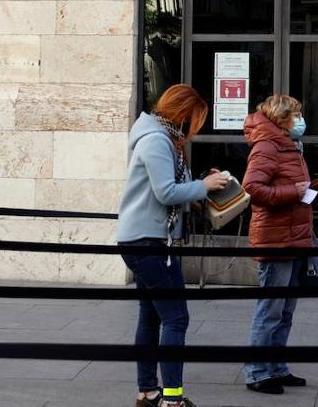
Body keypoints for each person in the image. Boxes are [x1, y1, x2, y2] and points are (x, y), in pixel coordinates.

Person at [118, 85, 229, 407]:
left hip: (146, 238)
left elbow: (172, 188)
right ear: (183, 114)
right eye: (196, 120)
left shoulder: (158, 137)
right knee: (176, 318)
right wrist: (203, 186)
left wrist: (202, 186)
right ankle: (172, 398)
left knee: (151, 316)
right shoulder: (156, 141)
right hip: (148, 241)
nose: (196, 128)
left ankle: (148, 392)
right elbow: (166, 192)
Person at [240, 94, 318, 395]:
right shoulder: (267, 146)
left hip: (293, 235)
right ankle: (258, 371)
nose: (300, 120)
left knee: (285, 309)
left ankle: (276, 366)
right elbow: (253, 187)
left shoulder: (288, 144)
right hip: (276, 238)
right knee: (270, 308)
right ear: (282, 118)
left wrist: (309, 190)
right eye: (296, 115)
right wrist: (292, 192)